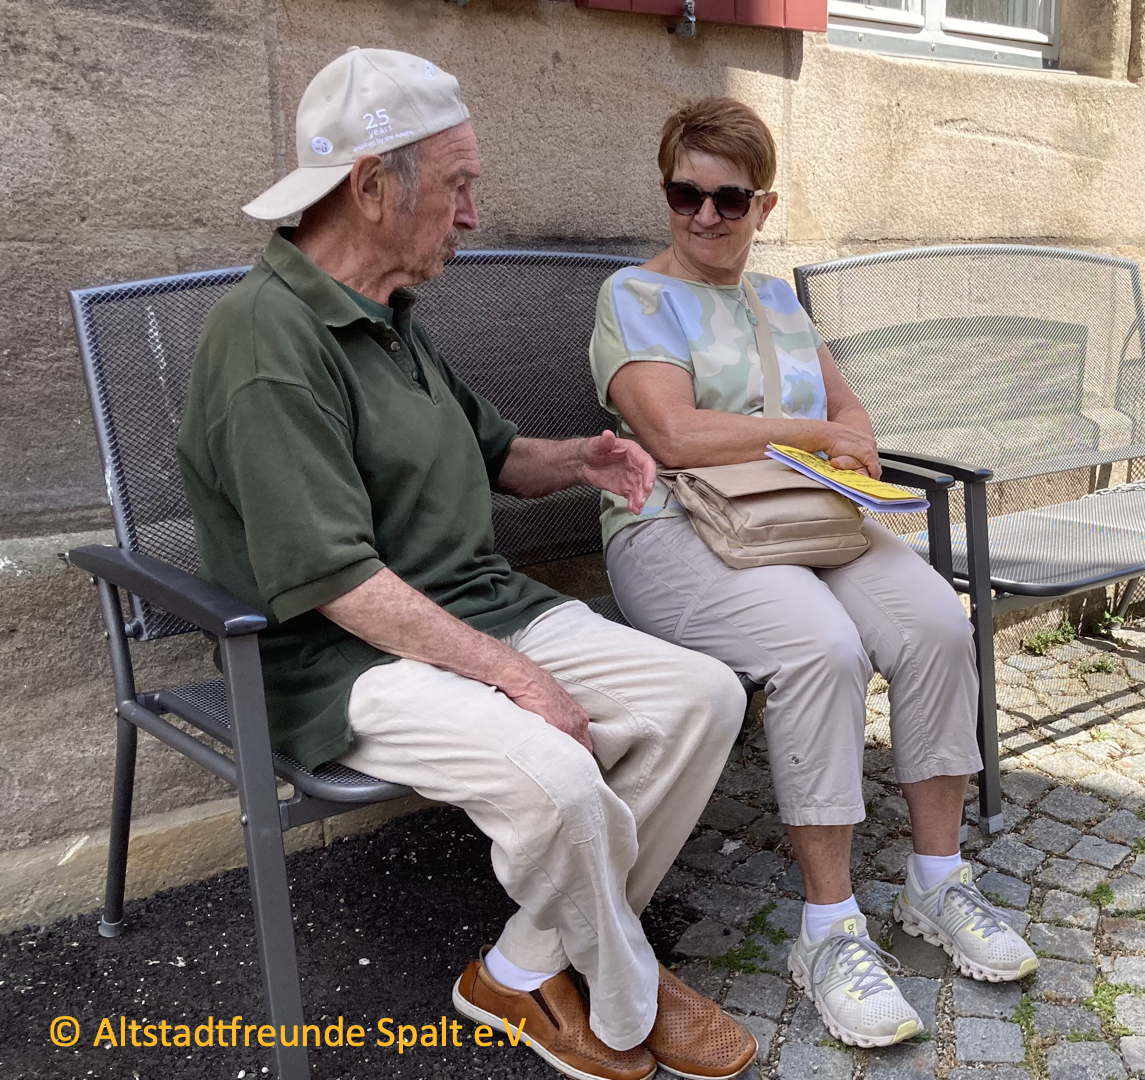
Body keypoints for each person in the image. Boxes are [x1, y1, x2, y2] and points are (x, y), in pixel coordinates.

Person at [176, 49, 756, 1080]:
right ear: (371, 187)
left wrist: (580, 458)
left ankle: (524, 967)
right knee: (559, 779)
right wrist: (517, 676)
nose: (473, 216)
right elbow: (337, 582)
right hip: (342, 661)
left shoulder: (389, 313)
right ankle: (628, 991)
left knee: (702, 697)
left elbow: (497, 454)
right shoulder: (268, 342)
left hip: (475, 607)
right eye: (458, 187)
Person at [588, 97, 1039, 1049]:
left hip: (800, 519)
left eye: (729, 199)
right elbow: (674, 435)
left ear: (763, 205)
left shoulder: (779, 301)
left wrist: (852, 444)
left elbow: (850, 413)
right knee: (822, 649)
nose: (704, 216)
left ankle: (937, 881)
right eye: (684, 194)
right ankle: (829, 929)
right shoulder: (635, 296)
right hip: (674, 529)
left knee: (934, 623)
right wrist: (809, 435)